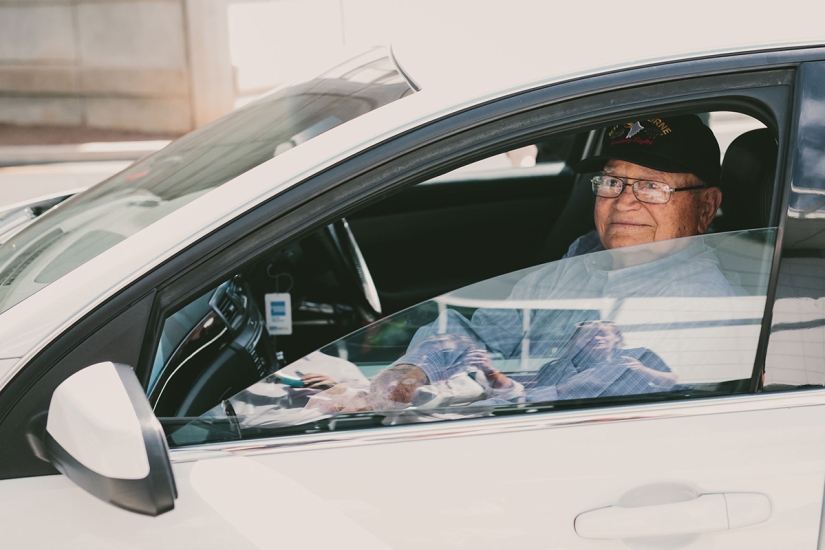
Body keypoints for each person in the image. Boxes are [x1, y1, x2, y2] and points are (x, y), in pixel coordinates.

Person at [308, 114, 729, 413]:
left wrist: (422, 399)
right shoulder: (585, 256)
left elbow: (568, 415)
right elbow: (483, 333)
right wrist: (410, 373)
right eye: (613, 181)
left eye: (652, 187)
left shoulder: (696, 306)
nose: (623, 201)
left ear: (706, 207)